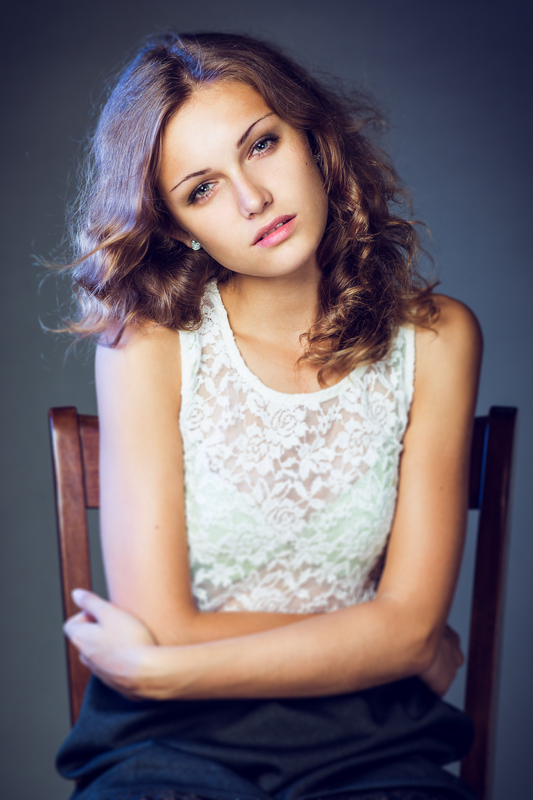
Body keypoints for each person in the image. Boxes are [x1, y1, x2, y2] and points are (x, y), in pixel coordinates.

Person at [56, 31, 482, 800]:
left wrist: (160, 670)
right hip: (167, 739)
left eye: (260, 144)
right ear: (178, 224)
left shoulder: (437, 338)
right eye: (202, 189)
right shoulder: (147, 344)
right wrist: (385, 638)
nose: (252, 199)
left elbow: (412, 627)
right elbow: (165, 620)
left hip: (368, 737)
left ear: (312, 138)